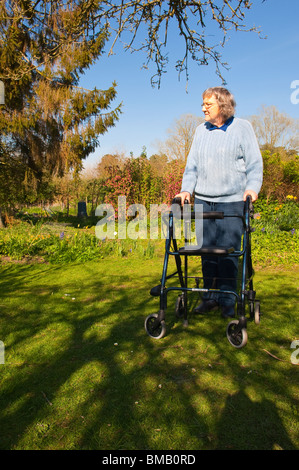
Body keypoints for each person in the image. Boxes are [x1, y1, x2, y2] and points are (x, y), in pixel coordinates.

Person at [175, 87, 263, 318]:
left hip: (233, 201)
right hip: (204, 200)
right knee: (207, 252)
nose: (203, 108)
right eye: (202, 104)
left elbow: (254, 162)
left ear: (223, 106)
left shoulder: (243, 128)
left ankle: (228, 299)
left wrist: (252, 188)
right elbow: (191, 165)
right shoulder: (200, 131)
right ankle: (210, 297)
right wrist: (186, 190)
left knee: (228, 253)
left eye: (208, 104)